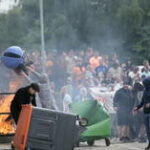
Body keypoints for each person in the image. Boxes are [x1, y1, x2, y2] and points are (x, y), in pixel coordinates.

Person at [134, 78, 150, 150]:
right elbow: (142, 102)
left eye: (145, 83)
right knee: (148, 129)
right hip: (146, 112)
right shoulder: (145, 91)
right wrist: (137, 107)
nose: (144, 84)